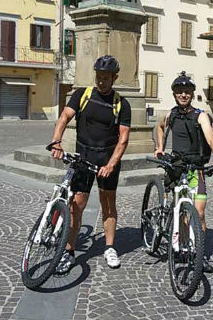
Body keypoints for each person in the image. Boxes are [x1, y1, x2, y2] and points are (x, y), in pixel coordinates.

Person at [50, 55, 131, 272]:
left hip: (107, 161)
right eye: (98, 76)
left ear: (115, 78)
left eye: (106, 77)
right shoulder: (82, 95)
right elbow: (64, 117)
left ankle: (110, 247)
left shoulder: (122, 104)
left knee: (108, 205)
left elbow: (123, 138)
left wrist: (112, 164)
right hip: (84, 157)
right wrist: (56, 142)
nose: (101, 81)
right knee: (76, 206)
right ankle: (68, 252)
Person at [155, 71, 213, 273]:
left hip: (196, 169)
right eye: (180, 92)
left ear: (192, 94)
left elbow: (211, 138)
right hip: (177, 168)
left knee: (199, 214)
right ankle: (183, 246)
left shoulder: (201, 116)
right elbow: (159, 127)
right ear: (175, 94)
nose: (183, 95)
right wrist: (160, 147)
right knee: (182, 214)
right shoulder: (171, 114)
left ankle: (198, 254)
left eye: (187, 91)